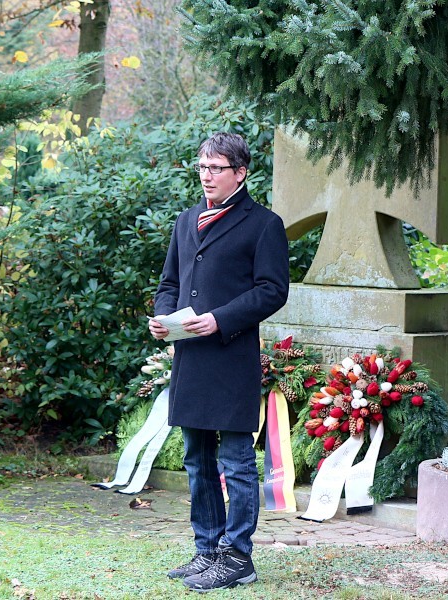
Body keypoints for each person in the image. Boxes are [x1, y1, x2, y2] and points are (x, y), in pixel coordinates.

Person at [148, 132, 289, 592]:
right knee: (196, 458)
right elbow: (171, 281)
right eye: (202, 167)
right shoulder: (187, 220)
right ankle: (206, 550)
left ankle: (237, 557)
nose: (207, 176)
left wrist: (220, 319)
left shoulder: (264, 224)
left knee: (236, 460)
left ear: (240, 173)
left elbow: (272, 290)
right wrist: (162, 316)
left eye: (216, 168)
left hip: (231, 356)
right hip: (190, 357)